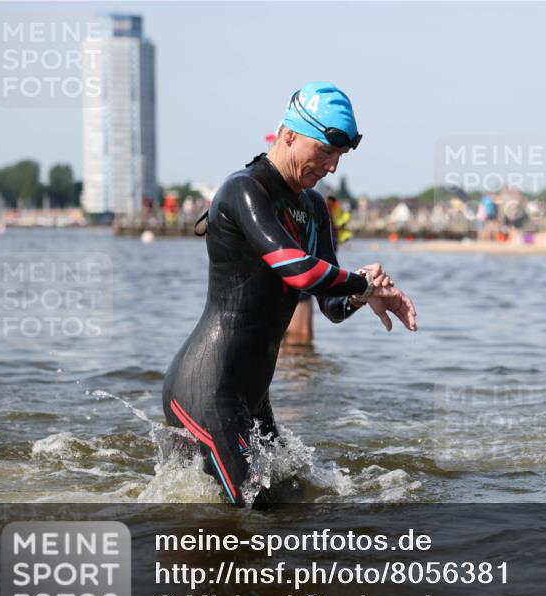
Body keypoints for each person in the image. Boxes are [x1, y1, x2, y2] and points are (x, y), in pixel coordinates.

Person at [163, 82, 417, 506]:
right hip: (205, 388)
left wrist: (358, 295)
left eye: (339, 156)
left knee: (292, 501)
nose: (332, 167)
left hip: (253, 396)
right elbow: (295, 269)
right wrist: (362, 281)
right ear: (289, 135)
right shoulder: (243, 190)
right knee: (255, 511)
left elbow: (331, 307)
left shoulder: (315, 209)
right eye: (325, 152)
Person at [284, 195, 353, 345]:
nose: (332, 169)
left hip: (308, 272)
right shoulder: (306, 204)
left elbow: (332, 299)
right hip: (298, 273)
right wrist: (364, 284)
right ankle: (298, 363)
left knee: (300, 335)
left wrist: (364, 289)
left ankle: (299, 362)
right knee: (300, 335)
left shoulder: (317, 205)